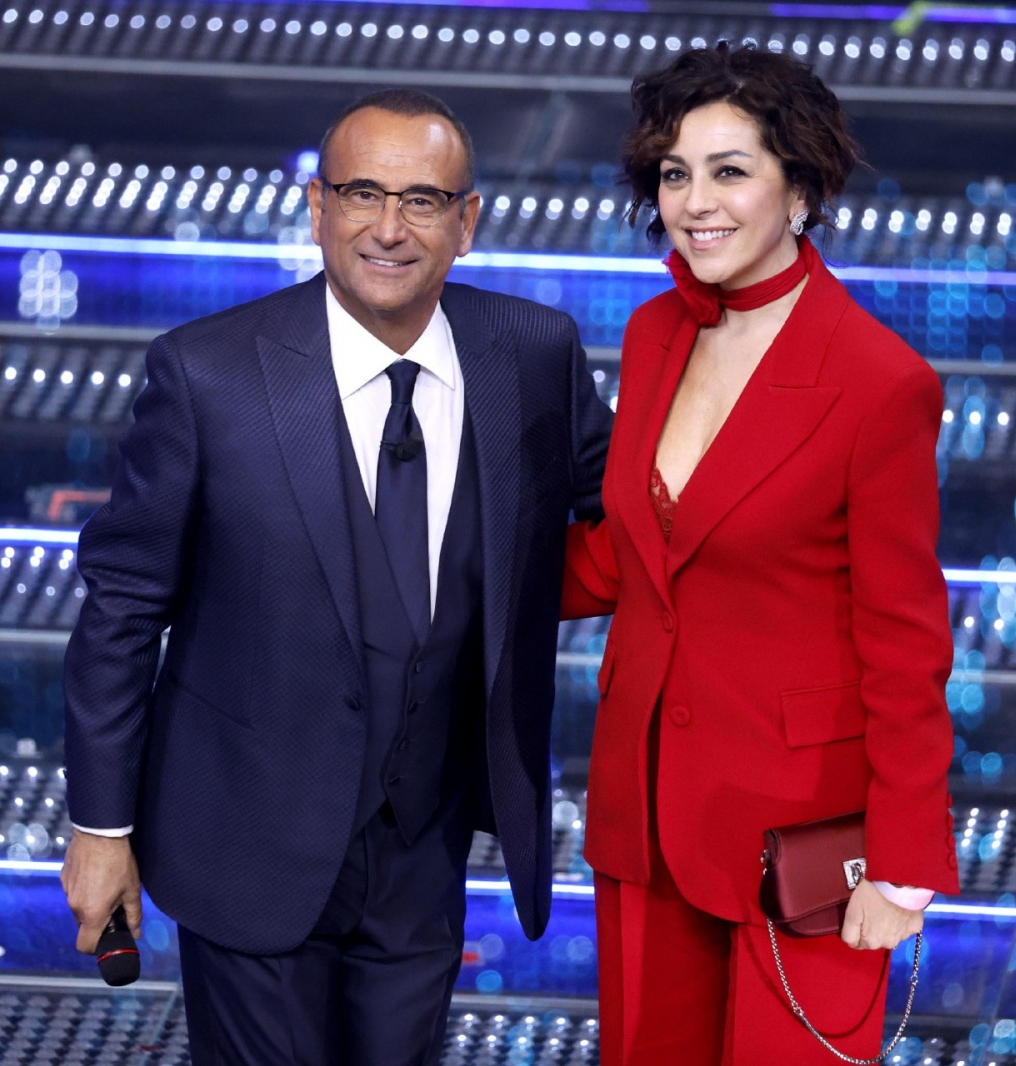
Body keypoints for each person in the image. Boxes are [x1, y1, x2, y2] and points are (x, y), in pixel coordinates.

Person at [60, 88, 613, 1065]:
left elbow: (623, 521)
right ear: (316, 210)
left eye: (424, 201)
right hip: (244, 833)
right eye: (361, 194)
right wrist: (102, 828)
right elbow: (121, 609)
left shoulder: (533, 355)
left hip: (426, 847)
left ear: (467, 222)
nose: (390, 228)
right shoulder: (206, 373)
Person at [562, 43, 959, 1064]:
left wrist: (903, 865)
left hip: (805, 841)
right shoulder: (655, 332)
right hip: (644, 811)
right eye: (675, 172)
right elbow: (631, 555)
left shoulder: (879, 381)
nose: (697, 201)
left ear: (801, 187)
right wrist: (439, 558)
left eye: (730, 170)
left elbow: (907, 637)